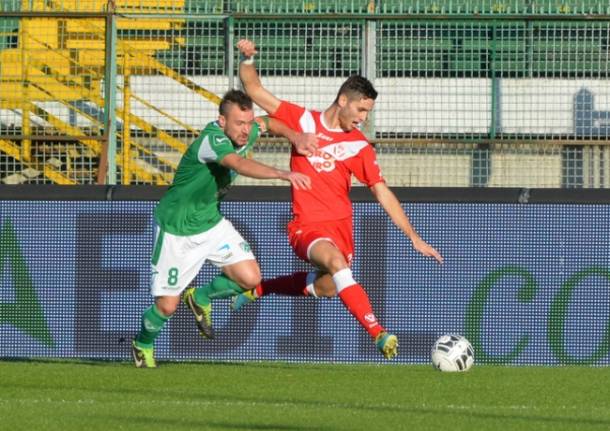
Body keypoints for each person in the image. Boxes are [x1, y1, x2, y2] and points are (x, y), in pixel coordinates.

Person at [231, 39, 444, 360]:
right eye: (360, 110)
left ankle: (259, 289)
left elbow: (381, 191)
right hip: (307, 228)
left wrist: (412, 236)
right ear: (343, 100)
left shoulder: (358, 146)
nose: (363, 118)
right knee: (336, 264)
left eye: (367, 113)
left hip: (341, 230)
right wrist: (246, 59)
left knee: (330, 286)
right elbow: (255, 90)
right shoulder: (303, 122)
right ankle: (379, 333)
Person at [131, 89, 316, 368]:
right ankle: (142, 343)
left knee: (251, 278)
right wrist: (283, 173)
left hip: (212, 223)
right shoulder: (211, 140)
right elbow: (237, 163)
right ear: (221, 121)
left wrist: (296, 137)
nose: (246, 130)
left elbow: (269, 122)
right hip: (176, 229)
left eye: (248, 122)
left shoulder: (248, 130)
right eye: (239, 124)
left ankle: (201, 296)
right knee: (167, 306)